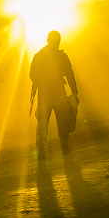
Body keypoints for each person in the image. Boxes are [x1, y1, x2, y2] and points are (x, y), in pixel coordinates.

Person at [29, 30, 79, 159]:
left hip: (50, 93)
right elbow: (69, 74)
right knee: (51, 122)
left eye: (57, 41)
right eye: (55, 41)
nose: (56, 44)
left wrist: (74, 92)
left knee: (49, 122)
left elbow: (69, 74)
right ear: (49, 41)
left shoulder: (40, 56)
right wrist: (74, 92)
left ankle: (48, 147)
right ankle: (56, 146)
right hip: (51, 93)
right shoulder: (59, 56)